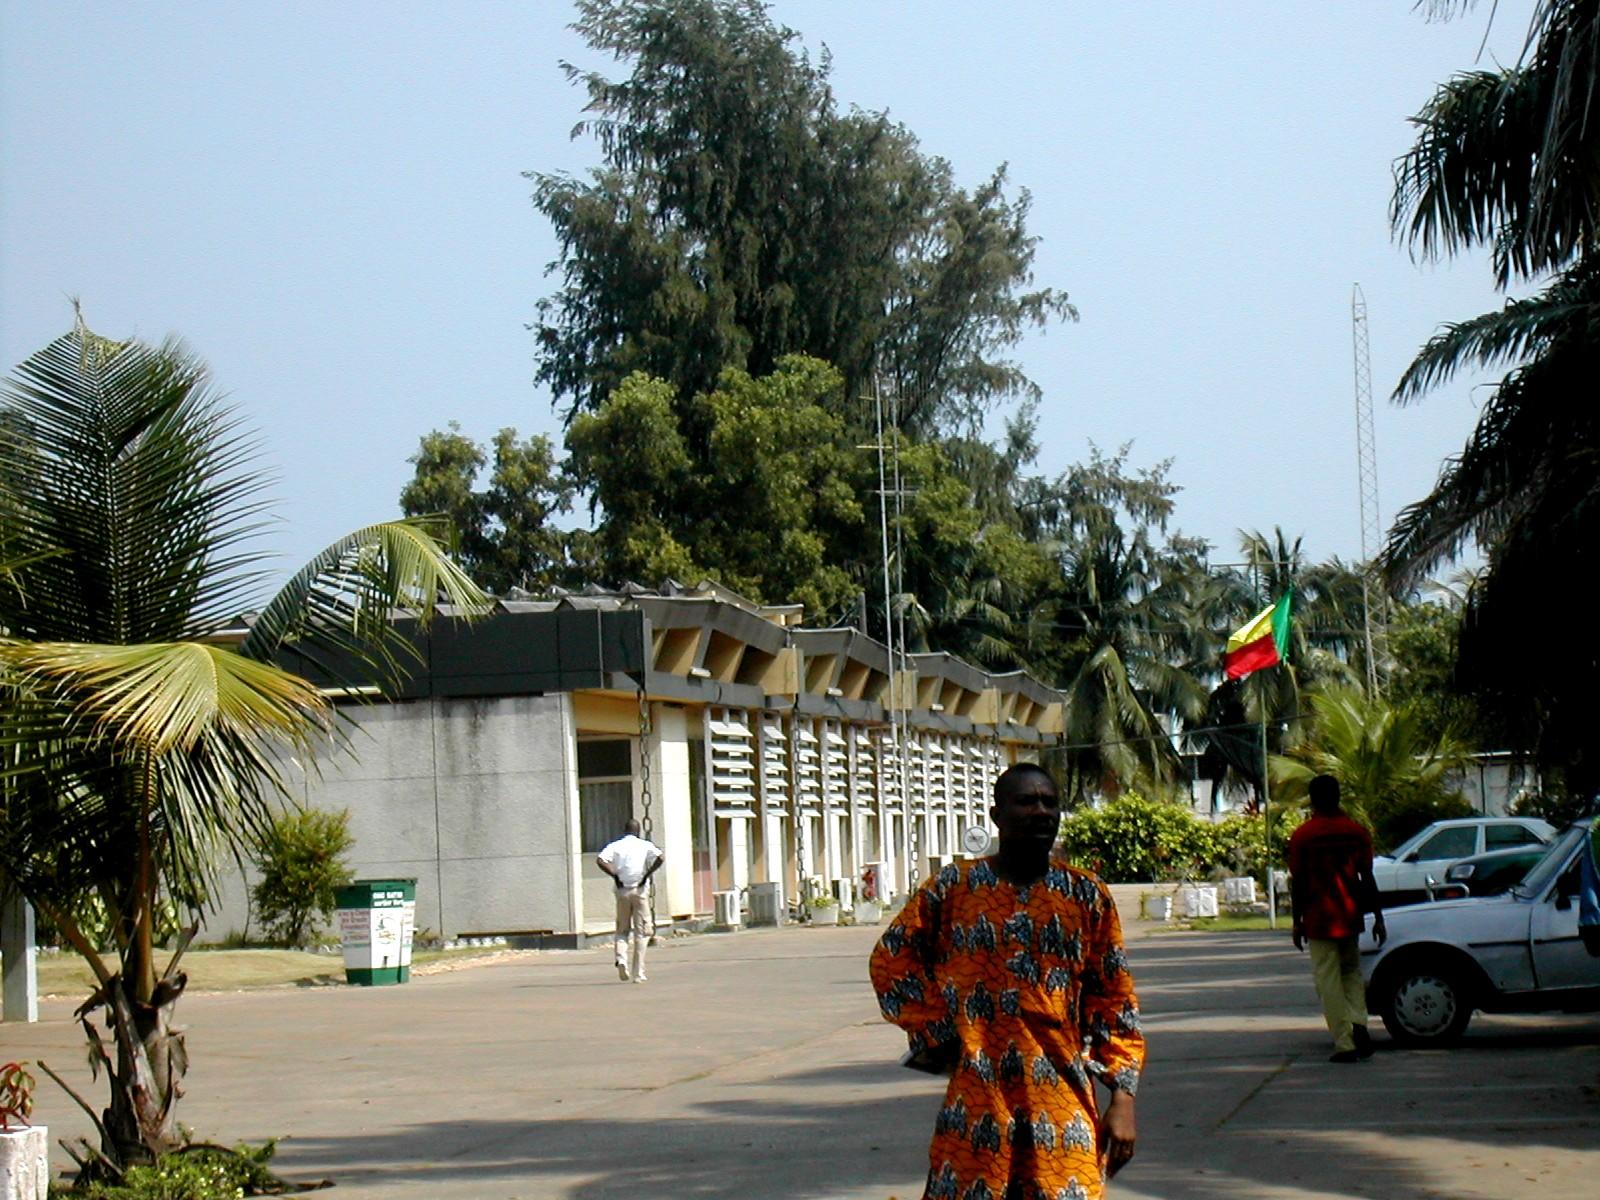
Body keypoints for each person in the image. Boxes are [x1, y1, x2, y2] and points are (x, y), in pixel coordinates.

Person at [869, 763, 1143, 1200]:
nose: (1041, 812)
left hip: (1061, 1100)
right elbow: (891, 960)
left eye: (1050, 803)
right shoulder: (954, 889)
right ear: (997, 815)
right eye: (1026, 801)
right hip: (977, 1099)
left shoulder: (1085, 896)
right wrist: (938, 1032)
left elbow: (1114, 1000)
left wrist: (1122, 1099)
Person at [1287, 774, 1386, 1062]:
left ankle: (1345, 1043)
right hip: (1350, 915)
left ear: (1313, 800)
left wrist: (1297, 921)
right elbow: (1367, 877)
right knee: (1351, 974)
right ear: (1338, 796)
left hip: (1319, 918)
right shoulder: (1355, 832)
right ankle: (1359, 1024)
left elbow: (1299, 882)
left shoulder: (1304, 835)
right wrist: (1378, 916)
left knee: (1327, 980)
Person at [596, 819, 664, 983]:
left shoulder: (615, 845)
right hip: (639, 891)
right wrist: (646, 875)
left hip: (622, 891)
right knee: (643, 932)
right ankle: (638, 973)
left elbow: (600, 860)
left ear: (624, 830)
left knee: (622, 929)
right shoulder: (645, 845)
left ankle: (621, 960)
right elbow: (660, 858)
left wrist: (615, 875)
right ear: (638, 831)